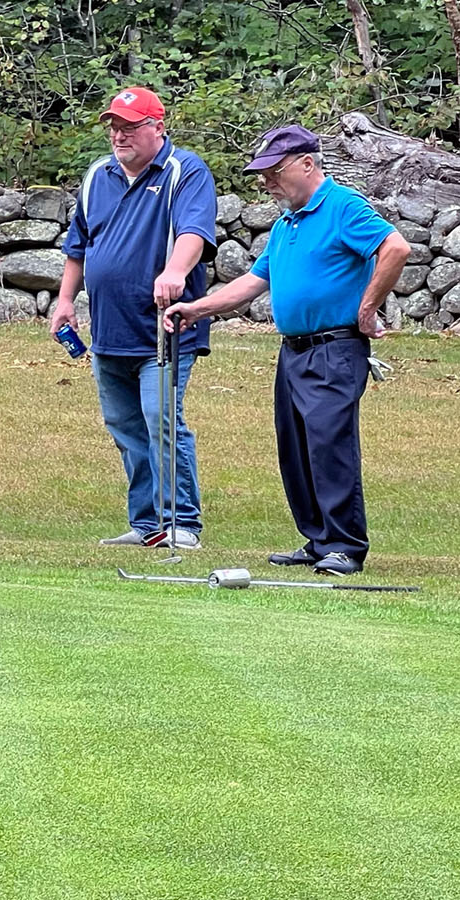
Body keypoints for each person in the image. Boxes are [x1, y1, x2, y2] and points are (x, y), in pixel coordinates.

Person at [166, 125, 410, 576]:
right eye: (263, 176)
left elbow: (395, 247)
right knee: (295, 447)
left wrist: (367, 308)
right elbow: (253, 283)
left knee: (328, 445)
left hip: (333, 348)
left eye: (274, 172)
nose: (266, 183)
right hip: (294, 352)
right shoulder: (287, 223)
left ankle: (345, 546)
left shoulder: (342, 208)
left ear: (307, 164)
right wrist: (197, 309)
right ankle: (318, 541)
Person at [51, 86, 218, 551]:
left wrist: (175, 271)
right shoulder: (97, 176)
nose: (119, 135)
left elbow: (194, 232)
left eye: (130, 126)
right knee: (125, 427)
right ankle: (147, 524)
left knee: (161, 419)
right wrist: (66, 301)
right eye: (114, 127)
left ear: (158, 127)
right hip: (109, 330)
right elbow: (78, 247)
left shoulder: (184, 171)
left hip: (164, 329)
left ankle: (182, 523)